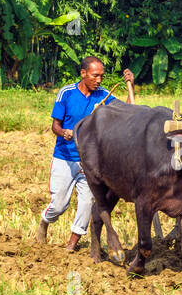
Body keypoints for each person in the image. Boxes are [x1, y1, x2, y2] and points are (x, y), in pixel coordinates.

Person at [38, 56, 135, 251]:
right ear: (83, 74)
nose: (99, 80)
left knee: (86, 203)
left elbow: (129, 110)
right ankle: (44, 222)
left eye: (102, 76)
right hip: (65, 156)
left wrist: (131, 85)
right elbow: (55, 125)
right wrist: (64, 132)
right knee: (58, 205)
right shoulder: (66, 93)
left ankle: (71, 245)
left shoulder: (104, 96)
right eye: (95, 76)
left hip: (90, 161)